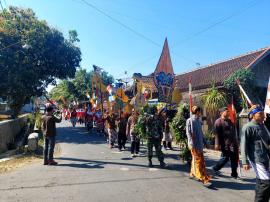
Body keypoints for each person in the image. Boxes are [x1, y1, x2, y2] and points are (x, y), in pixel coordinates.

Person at [241, 105, 270, 202]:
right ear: (253, 115)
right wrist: (244, 162)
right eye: (260, 114)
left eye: (263, 114)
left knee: (260, 181)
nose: (263, 116)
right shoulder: (248, 127)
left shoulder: (263, 126)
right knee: (266, 183)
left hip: (265, 157)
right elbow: (243, 144)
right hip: (256, 158)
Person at [186, 106, 211, 185]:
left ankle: (192, 173)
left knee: (198, 160)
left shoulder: (199, 121)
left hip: (200, 144)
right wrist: (191, 144)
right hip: (194, 144)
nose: (200, 113)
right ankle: (202, 178)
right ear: (196, 112)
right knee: (198, 162)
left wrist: (205, 142)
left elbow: (201, 134)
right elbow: (188, 133)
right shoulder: (189, 121)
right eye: (199, 111)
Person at [212, 107, 239, 179]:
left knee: (234, 159)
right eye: (226, 111)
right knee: (225, 158)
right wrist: (217, 144)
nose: (227, 112)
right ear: (221, 113)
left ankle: (234, 174)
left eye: (228, 111)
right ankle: (215, 168)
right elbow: (217, 134)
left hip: (233, 143)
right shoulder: (218, 122)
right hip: (225, 144)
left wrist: (237, 142)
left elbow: (234, 132)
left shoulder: (231, 121)